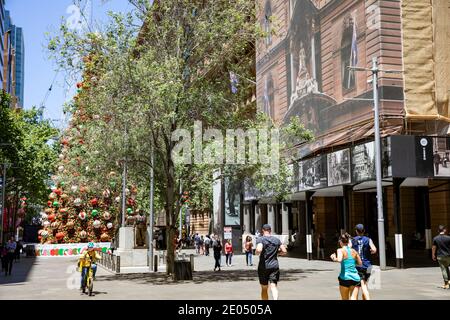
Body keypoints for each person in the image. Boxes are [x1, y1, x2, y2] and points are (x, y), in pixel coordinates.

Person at [256, 224, 287, 300]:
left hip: (263, 267)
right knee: (273, 286)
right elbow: (284, 251)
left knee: (264, 288)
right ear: (270, 230)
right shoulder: (276, 240)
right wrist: (277, 253)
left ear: (263, 230)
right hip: (274, 266)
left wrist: (256, 252)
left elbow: (259, 249)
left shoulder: (261, 239)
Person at [331, 233, 362, 300]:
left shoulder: (340, 250)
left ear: (340, 242)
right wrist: (352, 262)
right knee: (354, 298)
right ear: (348, 241)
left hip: (345, 278)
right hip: (355, 278)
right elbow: (360, 263)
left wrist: (334, 258)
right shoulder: (354, 251)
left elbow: (339, 259)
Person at [350, 224, 377, 300]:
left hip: (358, 266)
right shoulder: (368, 239)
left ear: (356, 231)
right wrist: (372, 251)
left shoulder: (353, 240)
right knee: (363, 283)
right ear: (364, 231)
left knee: (361, 286)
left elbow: (348, 249)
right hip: (368, 266)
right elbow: (374, 249)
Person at [432, 225, 450, 289]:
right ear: (444, 230)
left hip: (440, 256)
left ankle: (446, 284)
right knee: (446, 267)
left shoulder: (435, 238)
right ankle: (449, 281)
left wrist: (433, 255)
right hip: (448, 256)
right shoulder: (448, 238)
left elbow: (434, 247)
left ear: (438, 231)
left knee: (444, 269)